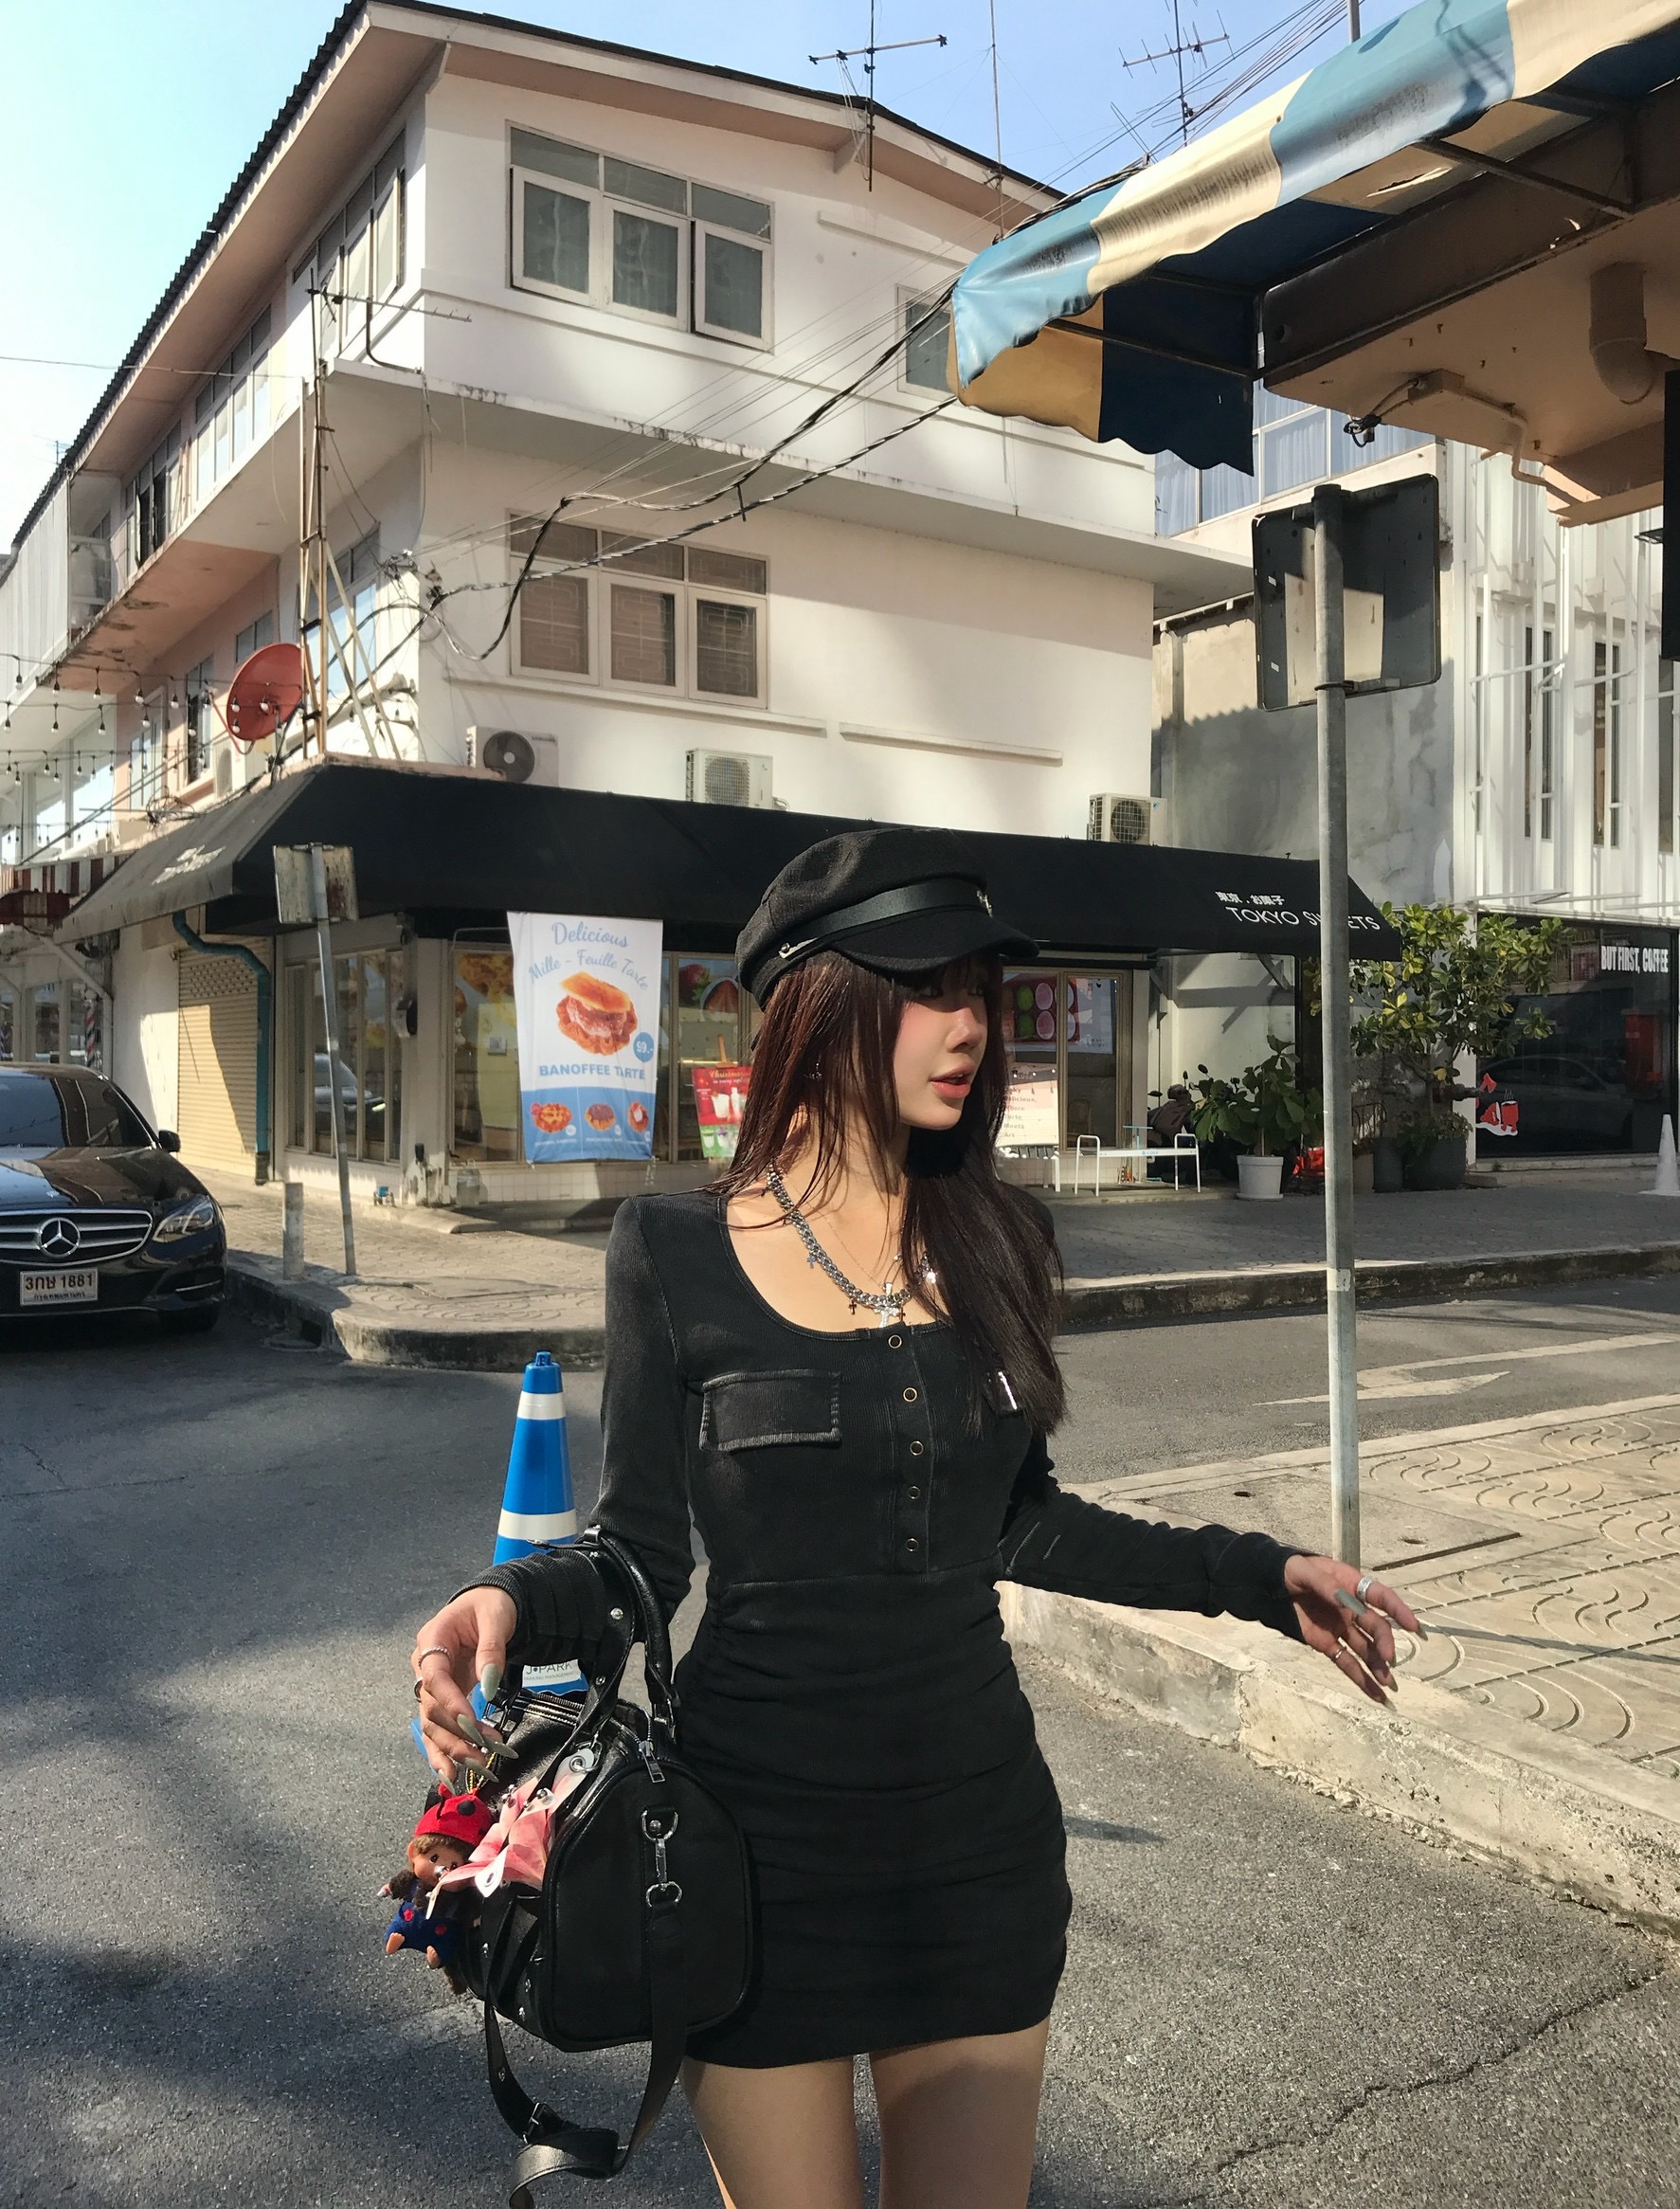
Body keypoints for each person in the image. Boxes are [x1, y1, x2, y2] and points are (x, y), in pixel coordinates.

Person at [411, 828, 1419, 2209]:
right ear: (822, 1004)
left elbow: (1023, 1524)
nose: (970, 1026)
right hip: (753, 1857)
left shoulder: (999, 1235)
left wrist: (1258, 1573)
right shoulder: (670, 1251)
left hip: (974, 1847)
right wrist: (509, 1601)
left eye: (979, 993)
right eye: (929, 990)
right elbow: (641, 1549)